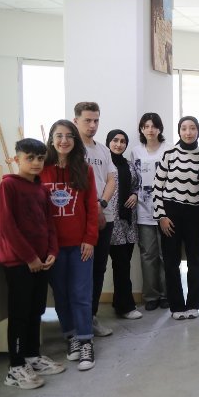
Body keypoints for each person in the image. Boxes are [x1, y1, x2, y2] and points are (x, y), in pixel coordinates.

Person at [0, 138, 63, 389]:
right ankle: (15, 367)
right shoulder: (8, 187)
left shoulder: (41, 189)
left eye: (40, 158)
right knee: (20, 313)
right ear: (17, 159)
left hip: (41, 261)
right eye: (30, 158)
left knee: (36, 310)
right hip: (19, 263)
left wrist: (52, 251)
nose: (36, 163)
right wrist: (30, 258)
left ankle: (32, 356)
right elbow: (8, 228)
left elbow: (49, 224)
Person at [41, 120, 99, 371]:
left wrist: (89, 239)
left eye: (69, 136)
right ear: (51, 140)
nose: (64, 141)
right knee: (61, 295)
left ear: (75, 140)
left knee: (81, 293)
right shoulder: (41, 170)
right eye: (59, 135)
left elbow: (91, 207)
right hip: (52, 247)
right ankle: (71, 336)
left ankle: (86, 340)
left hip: (80, 245)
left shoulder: (84, 170)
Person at [153, 117, 199, 321]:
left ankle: (193, 304)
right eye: (184, 128)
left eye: (192, 128)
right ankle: (176, 305)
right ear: (179, 131)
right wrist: (161, 216)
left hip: (195, 213)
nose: (188, 132)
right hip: (171, 213)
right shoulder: (169, 154)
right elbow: (157, 188)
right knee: (171, 262)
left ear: (198, 131)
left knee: (196, 261)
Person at [73, 102, 116, 337]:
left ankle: (91, 317)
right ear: (76, 121)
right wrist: (90, 209)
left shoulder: (103, 150)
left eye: (96, 120)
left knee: (99, 268)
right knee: (80, 271)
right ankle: (76, 323)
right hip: (79, 219)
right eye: (87, 120)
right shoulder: (70, 149)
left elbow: (111, 180)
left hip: (104, 216)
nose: (92, 125)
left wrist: (101, 204)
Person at [131, 112, 171, 312]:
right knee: (148, 255)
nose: (150, 130)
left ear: (159, 129)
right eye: (146, 126)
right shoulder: (136, 151)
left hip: (166, 210)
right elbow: (134, 179)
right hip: (143, 210)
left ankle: (166, 294)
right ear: (141, 129)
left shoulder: (169, 149)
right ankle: (151, 296)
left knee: (166, 254)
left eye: (154, 126)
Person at [105, 129, 142, 320]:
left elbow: (137, 185)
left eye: (122, 141)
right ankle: (126, 306)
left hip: (128, 222)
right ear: (108, 142)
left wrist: (135, 195)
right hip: (109, 221)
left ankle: (119, 302)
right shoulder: (104, 163)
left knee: (123, 264)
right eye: (115, 140)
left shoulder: (129, 165)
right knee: (120, 264)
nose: (119, 144)